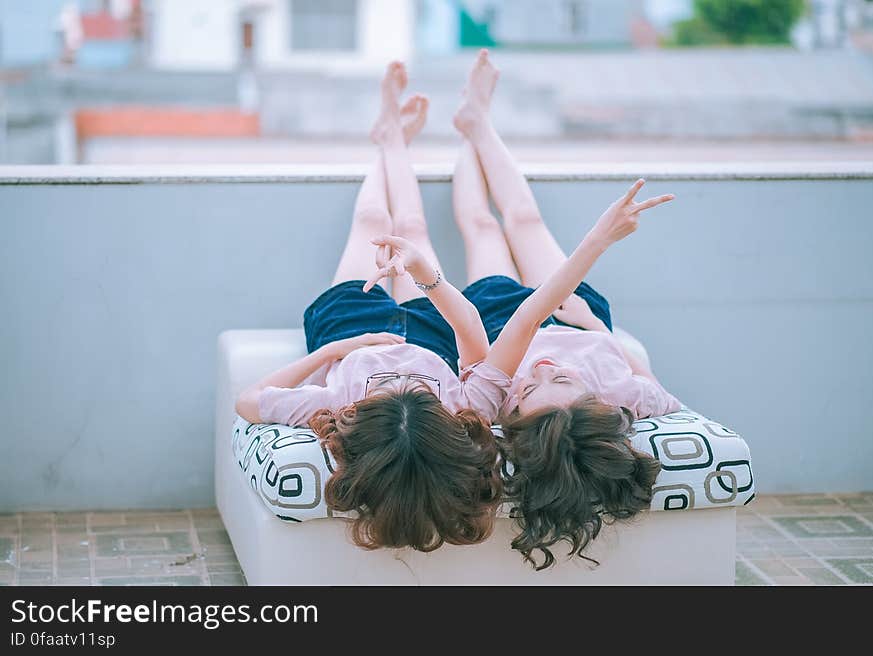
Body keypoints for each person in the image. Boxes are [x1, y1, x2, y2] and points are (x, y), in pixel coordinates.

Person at [235, 62, 509, 553]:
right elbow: (474, 341)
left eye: (388, 391)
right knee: (411, 228)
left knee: (370, 219)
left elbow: (249, 400)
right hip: (430, 333)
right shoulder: (461, 411)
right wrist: (426, 277)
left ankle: (387, 138)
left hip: (350, 326)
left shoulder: (336, 409)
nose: (398, 379)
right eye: (415, 389)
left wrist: (337, 350)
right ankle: (395, 140)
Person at [449, 49, 681, 570]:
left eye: (528, 388)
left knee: (484, 228)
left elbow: (522, 330)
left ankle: (467, 135)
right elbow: (659, 389)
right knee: (525, 219)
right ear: (597, 403)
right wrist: (600, 328)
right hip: (579, 313)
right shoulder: (621, 399)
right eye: (560, 381)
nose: (542, 369)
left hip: (502, 323)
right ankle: (478, 122)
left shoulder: (501, 407)